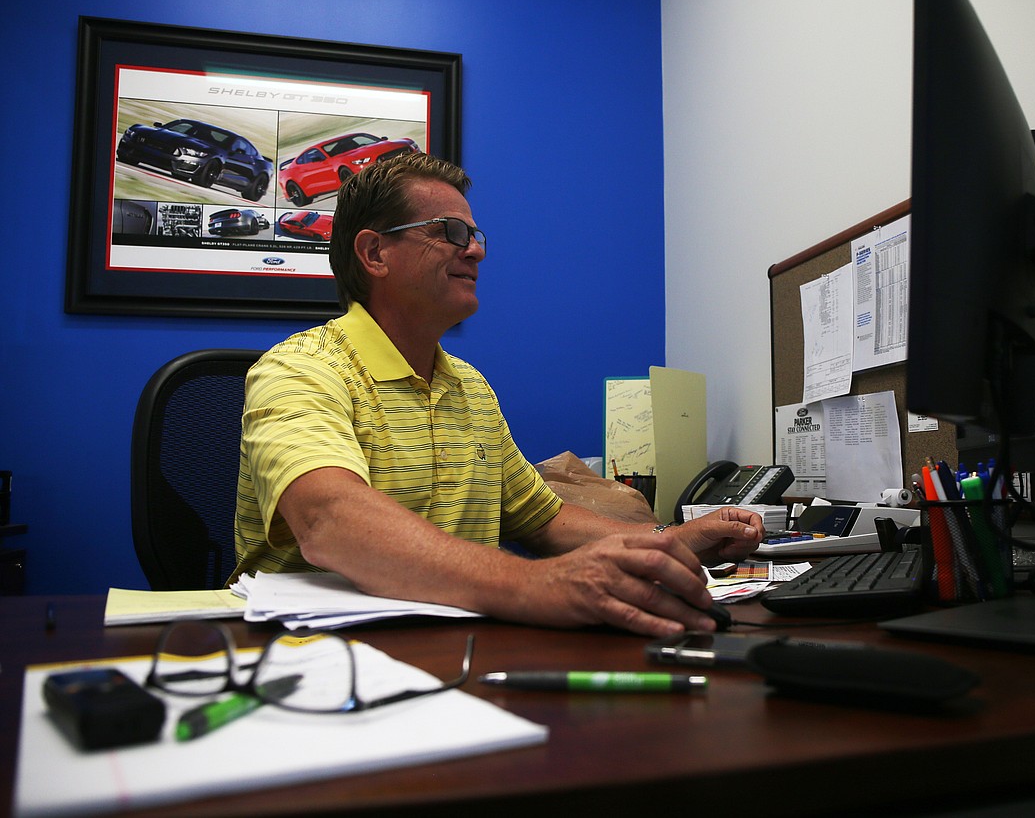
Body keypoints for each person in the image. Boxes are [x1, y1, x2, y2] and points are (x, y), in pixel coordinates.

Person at [231, 153, 761, 637]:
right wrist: (539, 586)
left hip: (464, 649)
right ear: (374, 253)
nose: (477, 250)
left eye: (476, 234)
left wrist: (670, 540)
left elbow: (545, 521)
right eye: (452, 232)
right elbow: (331, 523)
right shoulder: (299, 370)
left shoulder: (469, 386)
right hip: (324, 660)